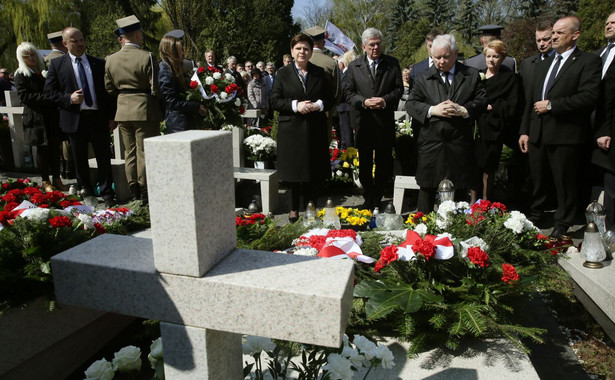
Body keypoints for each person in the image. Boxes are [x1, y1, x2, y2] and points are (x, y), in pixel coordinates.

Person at [519, 16, 601, 238]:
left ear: (575, 35)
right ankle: (534, 218)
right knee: (536, 180)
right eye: (553, 32)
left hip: (565, 135)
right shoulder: (543, 63)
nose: (554, 37)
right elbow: (531, 99)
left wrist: (553, 105)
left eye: (559, 33)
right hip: (537, 133)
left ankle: (562, 223)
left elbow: (588, 97)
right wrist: (525, 130)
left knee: (564, 183)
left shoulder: (587, 61)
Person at [406, 34, 488, 212]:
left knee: (459, 187)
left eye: (445, 57)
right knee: (427, 187)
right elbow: (411, 104)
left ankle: (456, 230)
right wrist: (432, 110)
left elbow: (482, 102)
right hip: (431, 141)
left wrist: (464, 110)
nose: (441, 61)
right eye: (437, 57)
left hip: (459, 142)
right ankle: (424, 228)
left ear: (456, 53)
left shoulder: (471, 75)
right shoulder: (423, 77)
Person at [44, 27, 116, 206]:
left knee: (104, 157)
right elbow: (49, 93)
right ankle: (86, 191)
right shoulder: (57, 65)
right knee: (79, 158)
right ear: (65, 43)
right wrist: (69, 98)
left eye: (81, 39)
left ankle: (108, 194)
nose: (80, 44)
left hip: (98, 118)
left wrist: (112, 116)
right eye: (74, 41)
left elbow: (108, 93)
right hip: (75, 119)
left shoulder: (98, 63)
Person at [270, 33, 334, 222]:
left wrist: (318, 105)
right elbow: (274, 100)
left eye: (306, 48)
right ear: (292, 51)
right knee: (293, 172)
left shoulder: (319, 72)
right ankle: (293, 209)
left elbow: (330, 98)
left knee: (313, 171)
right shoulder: (282, 73)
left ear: (310, 51)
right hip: (291, 130)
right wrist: (295, 105)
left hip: (314, 128)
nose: (302, 52)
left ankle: (311, 207)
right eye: (298, 48)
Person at [105, 15, 162, 204]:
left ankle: (134, 192)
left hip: (122, 110)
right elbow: (155, 87)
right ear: (137, 34)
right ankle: (145, 193)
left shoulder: (110, 59)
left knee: (129, 152)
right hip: (144, 109)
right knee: (144, 152)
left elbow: (109, 88)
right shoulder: (146, 56)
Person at [344, 28, 403, 210]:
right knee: (365, 164)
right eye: (372, 45)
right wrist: (364, 102)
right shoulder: (354, 66)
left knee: (384, 163)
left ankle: (379, 196)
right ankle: (368, 196)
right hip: (364, 123)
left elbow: (399, 89)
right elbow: (348, 93)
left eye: (378, 44)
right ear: (364, 47)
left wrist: (385, 101)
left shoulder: (392, 64)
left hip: (384, 122)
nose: (376, 47)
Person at [14, 42, 67, 193]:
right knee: (42, 150)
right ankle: (45, 180)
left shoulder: (45, 71)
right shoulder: (20, 74)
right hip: (36, 118)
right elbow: (25, 96)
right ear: (21, 58)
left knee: (55, 149)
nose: (31, 58)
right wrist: (47, 98)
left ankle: (57, 178)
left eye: (32, 54)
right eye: (26, 56)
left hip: (51, 116)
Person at [474, 40, 521, 201]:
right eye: (488, 56)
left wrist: (492, 107)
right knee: (473, 167)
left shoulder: (510, 79)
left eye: (495, 56)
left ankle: (486, 202)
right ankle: (473, 202)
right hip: (475, 128)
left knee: (489, 167)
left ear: (502, 57)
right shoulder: (476, 76)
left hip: (493, 129)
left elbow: (512, 105)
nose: (491, 60)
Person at [591, 11, 615, 228]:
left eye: (613, 23)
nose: (608, 26)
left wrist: (606, 129)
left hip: (609, 127)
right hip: (593, 124)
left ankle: (611, 228)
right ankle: (597, 224)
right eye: (607, 22)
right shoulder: (599, 54)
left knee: (611, 182)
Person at [158, 30, 206, 134]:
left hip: (185, 121)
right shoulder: (165, 69)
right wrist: (196, 106)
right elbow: (172, 102)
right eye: (180, 50)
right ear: (171, 51)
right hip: (177, 124)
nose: (183, 53)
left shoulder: (176, 67)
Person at [305, 26, 342, 103]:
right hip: (326, 110)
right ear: (324, 43)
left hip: (302, 109)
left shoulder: (298, 61)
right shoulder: (332, 63)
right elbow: (337, 91)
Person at [336, 51, 356, 148]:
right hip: (342, 107)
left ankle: (348, 153)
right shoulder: (344, 73)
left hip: (345, 106)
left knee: (346, 133)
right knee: (344, 133)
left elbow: (343, 89)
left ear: (342, 63)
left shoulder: (347, 73)